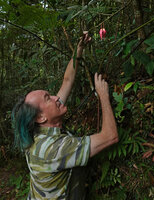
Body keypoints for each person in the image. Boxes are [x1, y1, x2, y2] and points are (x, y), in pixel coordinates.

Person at [12, 31, 118, 200]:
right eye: (48, 98)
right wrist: (104, 96)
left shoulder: (35, 132)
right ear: (41, 118)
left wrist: (79, 49)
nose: (56, 98)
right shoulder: (54, 149)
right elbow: (110, 136)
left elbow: (67, 80)